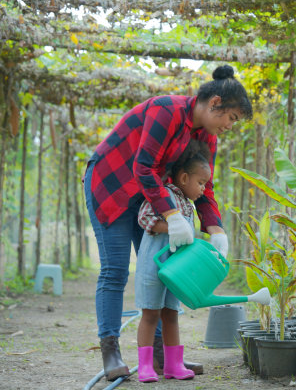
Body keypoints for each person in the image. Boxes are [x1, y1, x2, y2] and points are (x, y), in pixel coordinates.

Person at [83, 65, 252, 380]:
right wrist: (173, 216)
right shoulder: (166, 110)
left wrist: (215, 227)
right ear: (215, 102)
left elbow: (204, 185)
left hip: (150, 197)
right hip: (114, 185)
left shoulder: (207, 136)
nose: (231, 125)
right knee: (115, 270)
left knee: (162, 273)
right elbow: (143, 167)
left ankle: (161, 356)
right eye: (232, 117)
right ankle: (111, 351)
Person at [135, 140, 211, 382]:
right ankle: (145, 366)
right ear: (184, 177)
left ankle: (173, 365)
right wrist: (170, 227)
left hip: (177, 270)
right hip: (155, 266)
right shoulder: (165, 195)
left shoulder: (188, 206)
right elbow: (144, 218)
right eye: (200, 183)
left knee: (171, 313)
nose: (202, 189)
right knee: (150, 314)